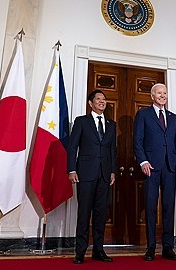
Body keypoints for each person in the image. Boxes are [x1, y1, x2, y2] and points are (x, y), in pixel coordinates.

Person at [133, 83, 176, 261]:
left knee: (169, 207)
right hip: (151, 168)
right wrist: (143, 161)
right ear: (152, 96)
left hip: (171, 167)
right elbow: (137, 140)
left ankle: (168, 247)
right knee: (150, 207)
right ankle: (150, 248)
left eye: (165, 93)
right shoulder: (143, 114)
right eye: (159, 93)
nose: (163, 96)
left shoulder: (173, 117)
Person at [67, 89, 117, 264]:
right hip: (85, 174)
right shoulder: (82, 121)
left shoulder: (111, 124)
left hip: (104, 175)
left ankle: (98, 250)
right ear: (91, 103)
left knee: (100, 214)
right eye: (98, 99)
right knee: (84, 213)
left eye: (104, 99)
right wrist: (72, 170)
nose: (102, 101)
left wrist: (112, 171)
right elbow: (72, 147)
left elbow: (112, 150)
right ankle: (80, 252)